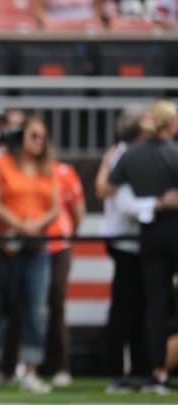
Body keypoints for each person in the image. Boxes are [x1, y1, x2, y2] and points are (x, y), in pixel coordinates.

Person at [0, 115, 58, 394]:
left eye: (42, 137)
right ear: (21, 138)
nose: (39, 142)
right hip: (4, 244)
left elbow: (56, 206)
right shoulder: (3, 162)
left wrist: (36, 225)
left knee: (37, 309)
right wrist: (19, 224)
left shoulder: (47, 168)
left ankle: (30, 370)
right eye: (33, 135)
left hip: (36, 246)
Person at [102, 100, 178, 393]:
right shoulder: (174, 153)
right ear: (169, 124)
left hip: (149, 234)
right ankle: (156, 373)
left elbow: (107, 187)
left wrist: (150, 201)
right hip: (172, 229)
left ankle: (153, 372)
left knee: (154, 304)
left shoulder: (131, 157)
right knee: (154, 304)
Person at [95, 106, 150, 393]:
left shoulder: (119, 153)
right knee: (125, 309)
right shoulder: (124, 156)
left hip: (132, 240)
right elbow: (122, 201)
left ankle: (138, 371)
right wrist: (158, 204)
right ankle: (118, 373)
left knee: (138, 308)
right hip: (126, 240)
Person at [43, 160, 85, 386]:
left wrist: (68, 238)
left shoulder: (63, 172)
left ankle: (60, 366)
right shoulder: (8, 165)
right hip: (23, 242)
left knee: (56, 305)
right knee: (21, 305)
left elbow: (78, 211)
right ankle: (18, 366)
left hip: (58, 244)